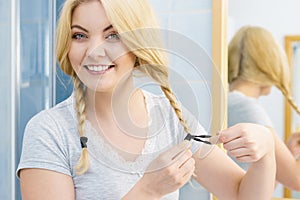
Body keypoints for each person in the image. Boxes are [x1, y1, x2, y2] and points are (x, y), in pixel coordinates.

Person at [17, 1, 276, 199]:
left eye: (113, 34)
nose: (94, 51)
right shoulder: (49, 131)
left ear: (137, 44)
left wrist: (265, 154)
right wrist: (147, 191)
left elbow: (242, 194)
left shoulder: (171, 118)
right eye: (80, 35)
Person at [228, 25, 300, 191]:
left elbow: (263, 187)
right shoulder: (245, 108)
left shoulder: (230, 102)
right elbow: (297, 180)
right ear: (270, 65)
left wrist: (286, 151)